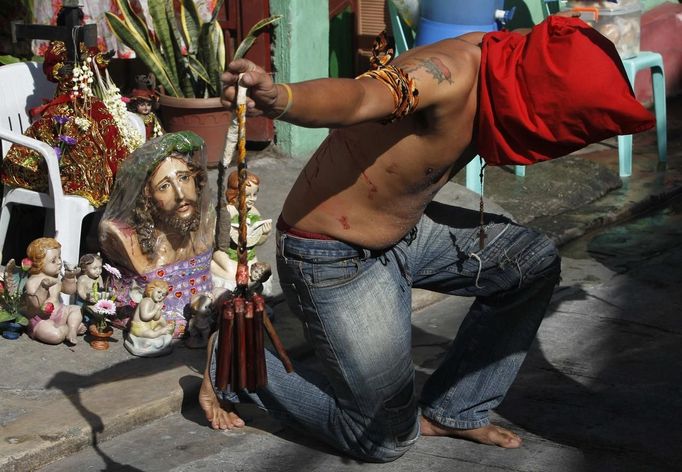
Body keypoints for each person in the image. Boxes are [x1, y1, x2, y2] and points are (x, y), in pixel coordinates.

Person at [200, 15, 655, 462]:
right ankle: (237, 366)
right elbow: (360, 96)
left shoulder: (507, 54)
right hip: (332, 256)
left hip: (408, 234)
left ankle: (455, 409)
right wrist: (282, 97)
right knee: (383, 440)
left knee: (531, 262)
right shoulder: (449, 72)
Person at [0, 5, 133, 208]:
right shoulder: (58, 46)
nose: (78, 25)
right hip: (65, 100)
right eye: (75, 21)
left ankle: (116, 179)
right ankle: (79, 183)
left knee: (105, 123)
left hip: (86, 99)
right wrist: (62, 69)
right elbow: (50, 69)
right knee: (76, 133)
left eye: (80, 21)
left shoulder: (84, 43)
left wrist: (102, 59)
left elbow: (93, 62)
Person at [98, 131, 214, 337]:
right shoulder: (125, 237)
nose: (180, 195)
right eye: (164, 186)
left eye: (184, 178)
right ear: (147, 197)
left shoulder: (206, 219)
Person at [211, 170, 272, 293]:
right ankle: (215, 272)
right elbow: (214, 238)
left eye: (254, 195)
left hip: (248, 254)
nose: (251, 199)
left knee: (256, 273)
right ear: (234, 194)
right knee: (234, 274)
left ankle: (252, 296)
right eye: (247, 195)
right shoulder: (227, 212)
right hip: (227, 253)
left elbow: (257, 241)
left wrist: (264, 233)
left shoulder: (253, 212)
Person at [22, 237, 85, 345]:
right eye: (53, 261)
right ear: (39, 264)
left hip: (59, 311)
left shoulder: (56, 277)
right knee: (55, 336)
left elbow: (69, 291)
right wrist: (43, 287)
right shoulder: (33, 281)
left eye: (59, 257)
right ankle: (69, 328)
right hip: (41, 318)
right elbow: (36, 304)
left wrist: (69, 278)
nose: (59, 262)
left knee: (77, 309)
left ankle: (72, 330)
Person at [124, 279, 174, 357]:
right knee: (151, 334)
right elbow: (145, 317)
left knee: (161, 319)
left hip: (149, 324)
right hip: (139, 327)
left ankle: (164, 330)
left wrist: (158, 310)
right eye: (159, 292)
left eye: (163, 294)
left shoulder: (155, 302)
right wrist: (156, 309)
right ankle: (161, 332)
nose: (160, 296)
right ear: (151, 290)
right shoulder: (146, 301)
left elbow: (156, 318)